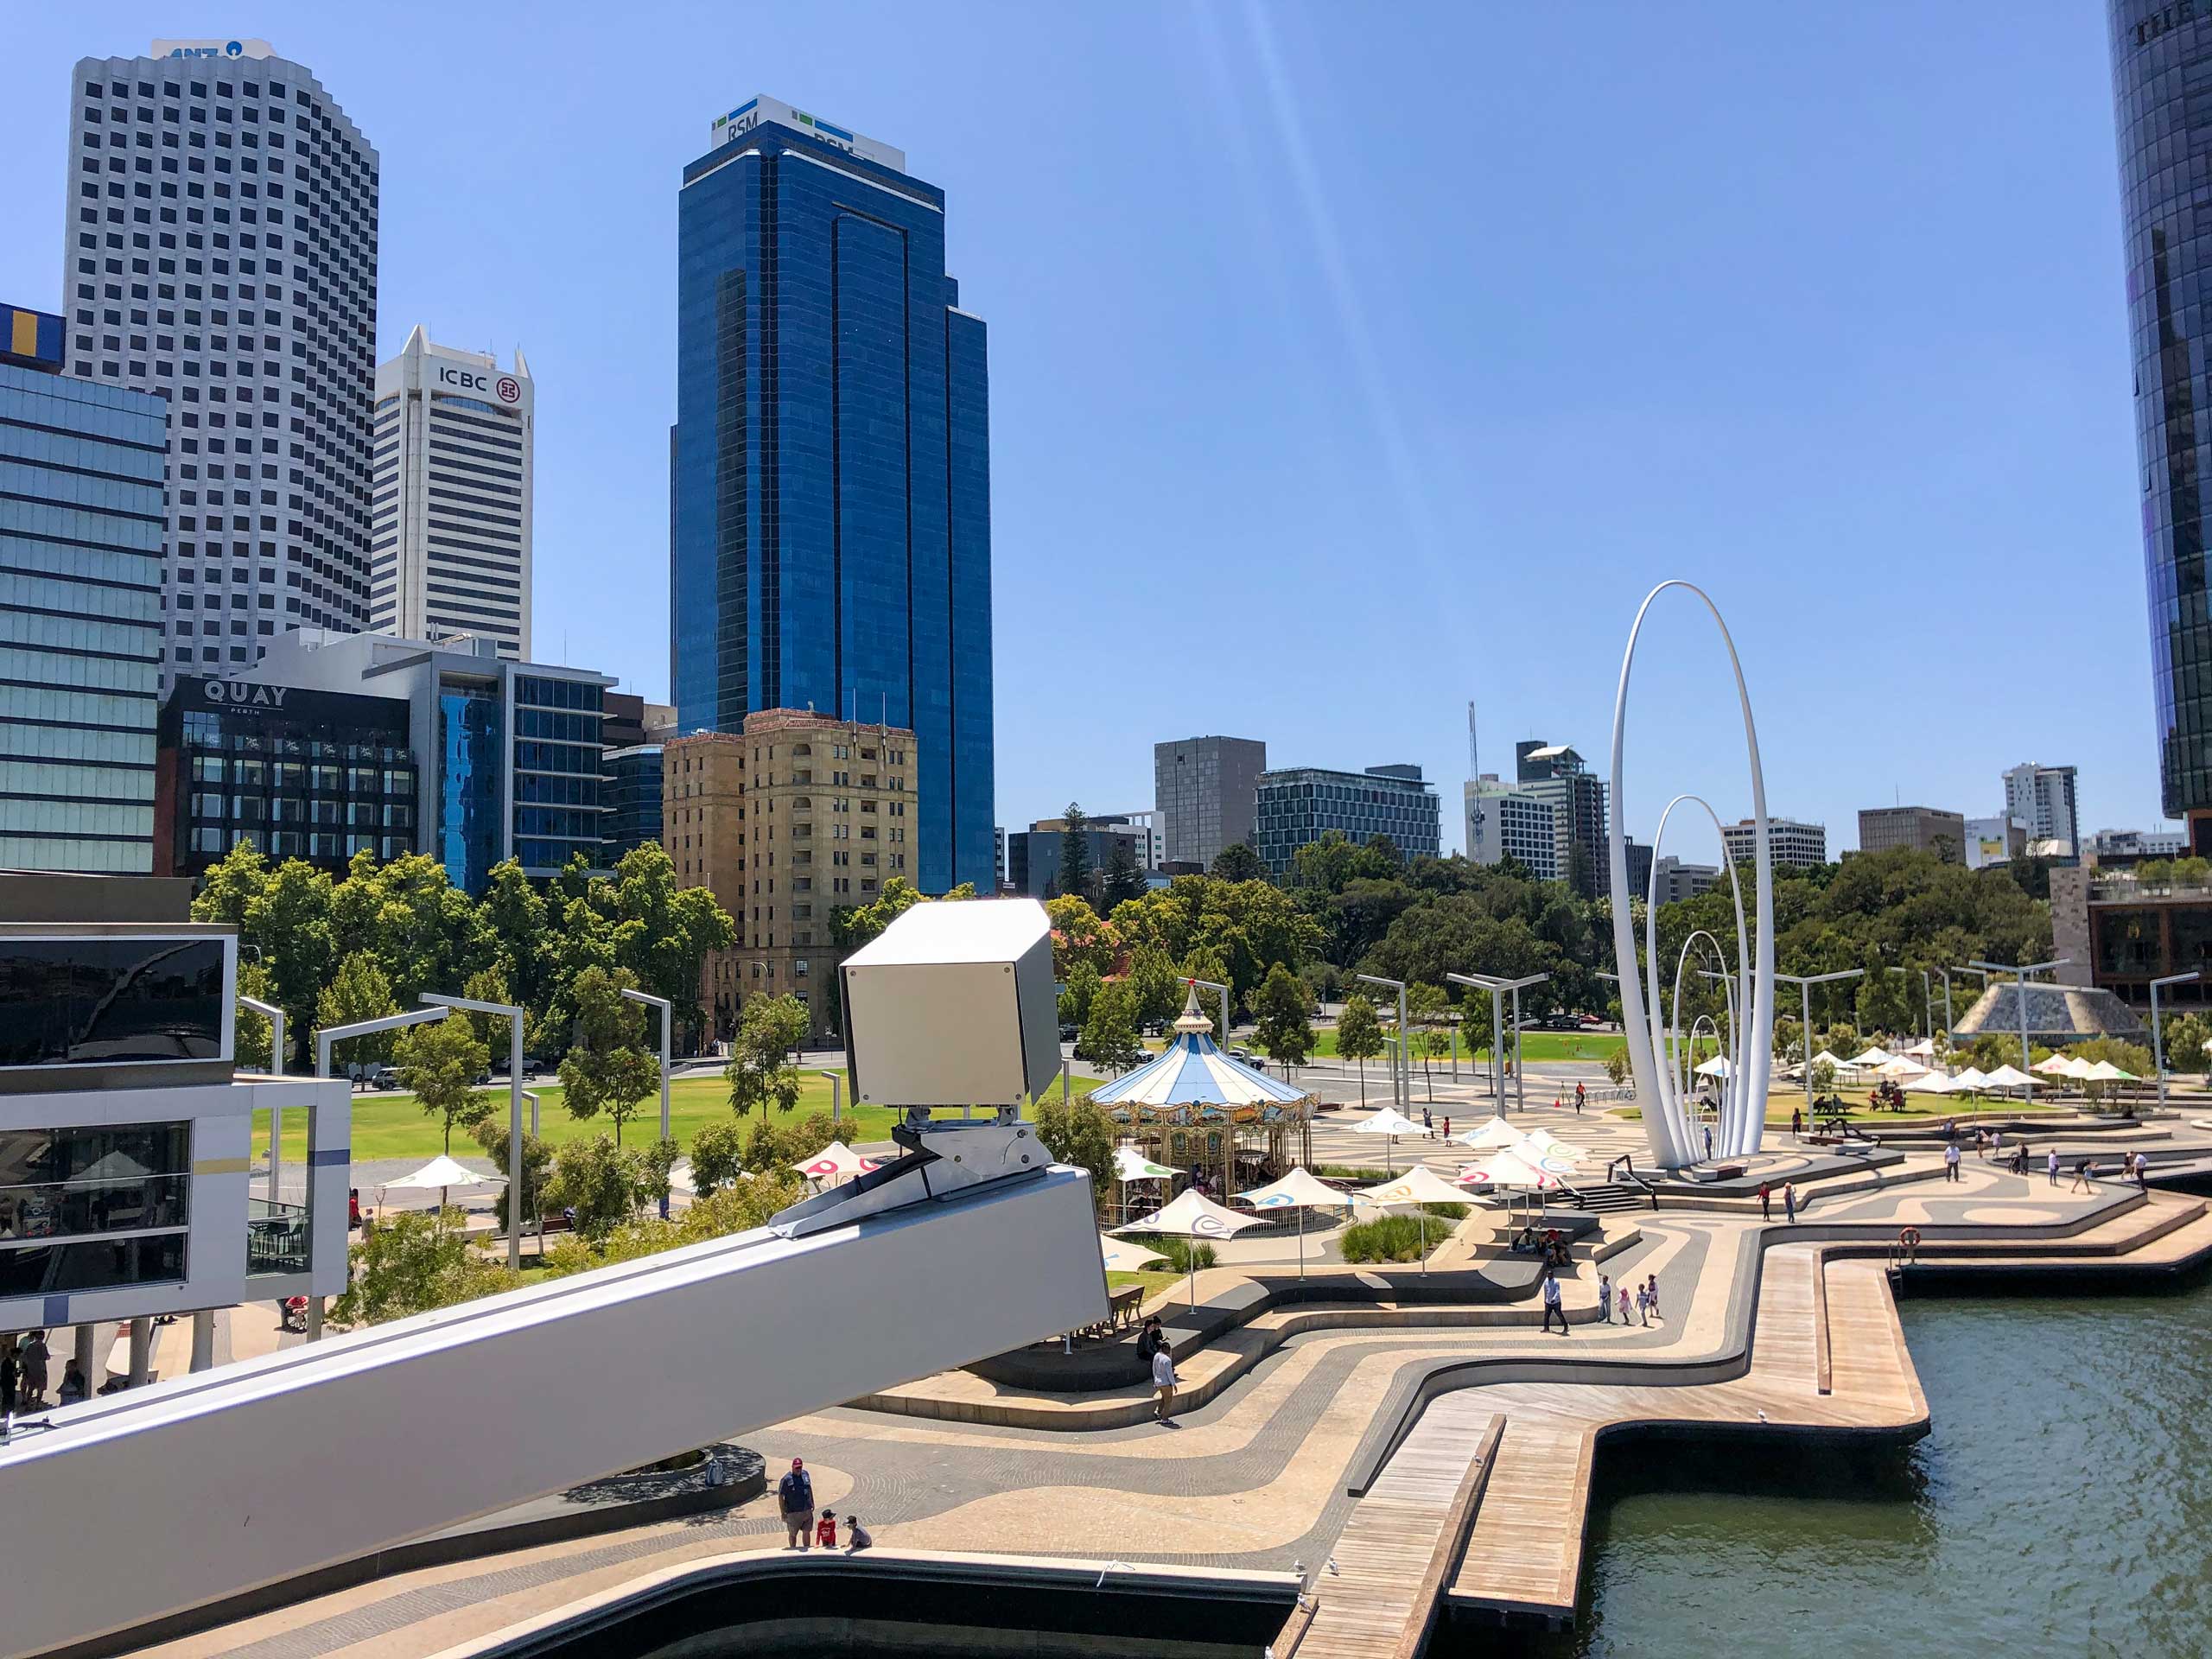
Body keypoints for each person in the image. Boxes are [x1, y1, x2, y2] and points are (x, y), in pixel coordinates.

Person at [778, 1458, 816, 1548]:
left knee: (807, 1531)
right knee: (793, 1534)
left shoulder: (805, 1474)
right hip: (793, 1512)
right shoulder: (786, 1479)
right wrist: (783, 1512)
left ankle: (807, 1549)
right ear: (792, 1467)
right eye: (796, 1468)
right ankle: (793, 1550)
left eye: (800, 1467)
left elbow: (809, 1488)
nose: (798, 1470)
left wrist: (812, 1501)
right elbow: (780, 1496)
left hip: (806, 1510)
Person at [1151, 1338, 1179, 1426]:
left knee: (1164, 1398)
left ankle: (1158, 1411)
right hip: (1166, 1383)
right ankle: (1165, 1418)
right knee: (1168, 1401)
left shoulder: (1156, 1356)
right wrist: (1174, 1384)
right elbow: (1170, 1373)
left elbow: (1154, 1369)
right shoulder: (1167, 1360)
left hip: (1158, 1382)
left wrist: (1155, 1381)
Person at [19, 1329, 48, 1408]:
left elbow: (25, 1357)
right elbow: (46, 1357)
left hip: (31, 1370)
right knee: (40, 1389)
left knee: (31, 1388)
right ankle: (38, 1404)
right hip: (41, 1370)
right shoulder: (43, 1346)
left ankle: (28, 1404)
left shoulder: (31, 1346)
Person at [1541, 1270, 1568, 1335]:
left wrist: (1554, 1299)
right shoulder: (1546, 1281)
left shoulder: (1556, 1282)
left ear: (1553, 1275)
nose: (1549, 1275)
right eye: (1548, 1274)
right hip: (1548, 1302)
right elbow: (1545, 1291)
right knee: (1546, 1315)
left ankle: (1565, 1326)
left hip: (1556, 1302)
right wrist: (1545, 1300)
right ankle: (1546, 1328)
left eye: (1550, 1274)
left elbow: (1557, 1292)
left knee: (1559, 1314)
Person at [0, 1343, 17, 1416]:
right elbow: (7, 1373)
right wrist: (14, 1373)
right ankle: (7, 1412)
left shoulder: (9, 1362)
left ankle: (6, 1412)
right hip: (7, 1383)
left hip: (8, 1383)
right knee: (8, 1398)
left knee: (7, 1398)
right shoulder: (7, 1362)